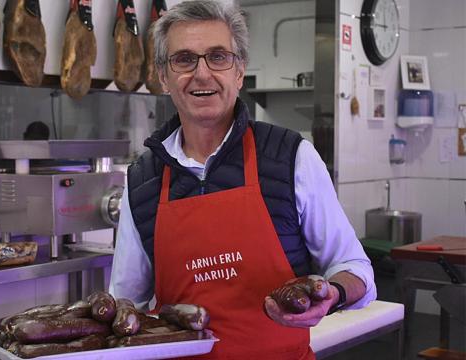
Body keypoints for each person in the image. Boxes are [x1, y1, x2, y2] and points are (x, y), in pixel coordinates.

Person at [109, 1, 376, 359]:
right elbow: (127, 301)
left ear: (239, 71)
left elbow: (354, 267)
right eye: (184, 59)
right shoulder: (142, 178)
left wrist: (333, 294)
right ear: (163, 75)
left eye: (218, 57)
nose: (202, 74)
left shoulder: (291, 156)